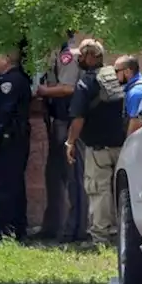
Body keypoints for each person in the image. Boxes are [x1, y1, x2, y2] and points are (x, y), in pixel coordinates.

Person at [65, 39, 127, 246]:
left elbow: (78, 117)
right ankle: (122, 236)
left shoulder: (86, 83)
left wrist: (70, 142)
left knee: (98, 191)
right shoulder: (116, 77)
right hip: (122, 145)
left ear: (91, 57)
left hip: (98, 149)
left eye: (82, 56)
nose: (79, 60)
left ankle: (101, 239)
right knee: (120, 191)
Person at [35, 32, 87, 242]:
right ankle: (53, 227)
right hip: (58, 122)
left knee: (74, 177)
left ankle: (76, 229)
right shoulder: (56, 54)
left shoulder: (69, 55)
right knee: (54, 176)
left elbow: (68, 87)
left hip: (69, 123)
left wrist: (44, 91)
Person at [0, 50, 33, 241]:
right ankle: (15, 227)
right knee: (12, 183)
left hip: (8, 140)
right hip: (12, 139)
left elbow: (5, 110)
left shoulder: (10, 82)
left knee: (6, 184)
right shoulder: (13, 79)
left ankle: (7, 228)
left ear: (8, 60)